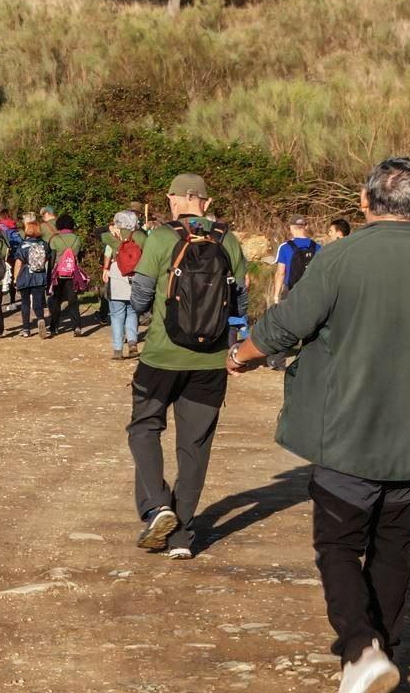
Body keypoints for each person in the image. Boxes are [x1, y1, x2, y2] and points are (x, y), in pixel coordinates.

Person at [228, 159, 410, 693]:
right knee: (394, 549)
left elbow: (284, 326)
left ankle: (361, 653)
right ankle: (385, 651)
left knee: (337, 547)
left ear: (364, 201)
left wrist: (242, 356)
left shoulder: (340, 258)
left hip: (346, 436)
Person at [126, 173, 248, 562]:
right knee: (194, 446)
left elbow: (142, 298)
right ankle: (181, 535)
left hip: (161, 356)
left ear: (174, 200)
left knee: (144, 428)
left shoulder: (162, 237)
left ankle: (157, 506)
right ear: (206, 203)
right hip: (210, 362)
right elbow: (240, 306)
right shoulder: (228, 240)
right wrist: (233, 349)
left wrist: (148, 310)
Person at [105, 210, 144, 360]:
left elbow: (98, 233)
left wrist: (112, 229)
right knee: (133, 312)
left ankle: (117, 349)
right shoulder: (139, 236)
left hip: (117, 275)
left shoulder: (112, 236)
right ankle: (133, 341)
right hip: (134, 275)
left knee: (116, 315)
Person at [47, 214, 84, 337]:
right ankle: (77, 326)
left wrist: (50, 274)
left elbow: (52, 258)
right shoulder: (77, 239)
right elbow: (79, 256)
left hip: (58, 273)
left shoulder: (55, 239)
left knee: (55, 300)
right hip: (73, 272)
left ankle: (54, 327)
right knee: (73, 300)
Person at [13, 221, 50, 335]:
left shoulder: (22, 245)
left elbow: (18, 263)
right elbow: (46, 260)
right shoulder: (44, 245)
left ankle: (26, 329)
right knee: (38, 302)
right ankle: (40, 319)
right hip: (39, 276)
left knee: (25, 303)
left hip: (25, 276)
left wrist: (15, 278)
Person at [274, 216, 322, 304]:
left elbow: (280, 273)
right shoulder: (317, 247)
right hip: (311, 292)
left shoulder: (285, 247)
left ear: (291, 228)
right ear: (306, 227)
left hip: (291, 291)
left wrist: (276, 296)